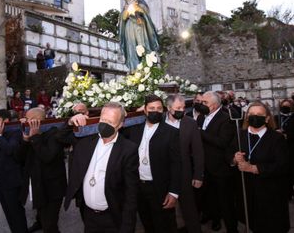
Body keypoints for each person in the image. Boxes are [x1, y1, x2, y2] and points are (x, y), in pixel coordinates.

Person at [64, 102, 139, 233]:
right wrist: (70, 121)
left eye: (110, 122)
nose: (105, 124)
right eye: (103, 120)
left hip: (112, 217)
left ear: (120, 125)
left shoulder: (128, 149)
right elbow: (60, 137)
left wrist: (127, 227)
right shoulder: (85, 141)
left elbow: (131, 193)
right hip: (88, 215)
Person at [123, 94, 181, 233]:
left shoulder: (171, 132)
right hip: (138, 187)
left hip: (160, 188)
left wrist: (173, 192)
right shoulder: (133, 129)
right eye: (151, 108)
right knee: (147, 223)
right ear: (145, 110)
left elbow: (177, 164)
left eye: (159, 108)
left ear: (164, 110)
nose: (155, 111)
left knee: (165, 226)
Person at [232, 101, 290, 233]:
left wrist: (254, 168)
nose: (254, 117)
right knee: (251, 222)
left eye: (259, 114)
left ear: (267, 118)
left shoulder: (276, 138)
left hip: (269, 192)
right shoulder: (240, 134)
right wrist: (234, 158)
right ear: (246, 117)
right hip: (246, 191)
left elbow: (282, 166)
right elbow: (228, 153)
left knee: (269, 225)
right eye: (251, 114)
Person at [16, 108, 66, 233]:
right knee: (40, 211)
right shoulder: (30, 134)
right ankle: (39, 223)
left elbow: (47, 156)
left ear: (36, 120)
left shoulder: (55, 133)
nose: (25, 121)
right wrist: (26, 141)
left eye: (28, 119)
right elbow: (19, 158)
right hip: (37, 183)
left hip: (52, 187)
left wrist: (36, 137)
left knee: (50, 224)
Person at [198, 91, 237, 232]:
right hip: (205, 167)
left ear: (214, 105)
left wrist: (200, 133)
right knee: (209, 198)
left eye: (204, 103)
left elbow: (222, 142)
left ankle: (232, 228)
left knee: (225, 202)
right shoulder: (202, 117)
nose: (201, 105)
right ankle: (214, 219)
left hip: (221, 168)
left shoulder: (226, 118)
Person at [165, 95, 204, 233]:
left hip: (185, 173)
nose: (181, 110)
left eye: (183, 107)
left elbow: (198, 151)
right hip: (164, 174)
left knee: (189, 210)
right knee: (166, 212)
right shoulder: (159, 123)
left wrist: (198, 175)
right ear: (169, 108)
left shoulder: (190, 123)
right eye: (178, 108)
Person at [0, 109, 27, 233]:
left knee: (16, 212)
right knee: (7, 211)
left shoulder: (16, 133)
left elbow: (10, 150)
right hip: (0, 181)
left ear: (6, 121)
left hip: (12, 180)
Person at [119, 0, 159, 70]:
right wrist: (126, 13)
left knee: (143, 45)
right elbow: (122, 19)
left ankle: (147, 67)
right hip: (129, 29)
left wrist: (139, 9)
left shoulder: (139, 1)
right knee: (132, 47)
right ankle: (134, 68)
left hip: (141, 27)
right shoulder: (125, 6)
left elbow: (146, 10)